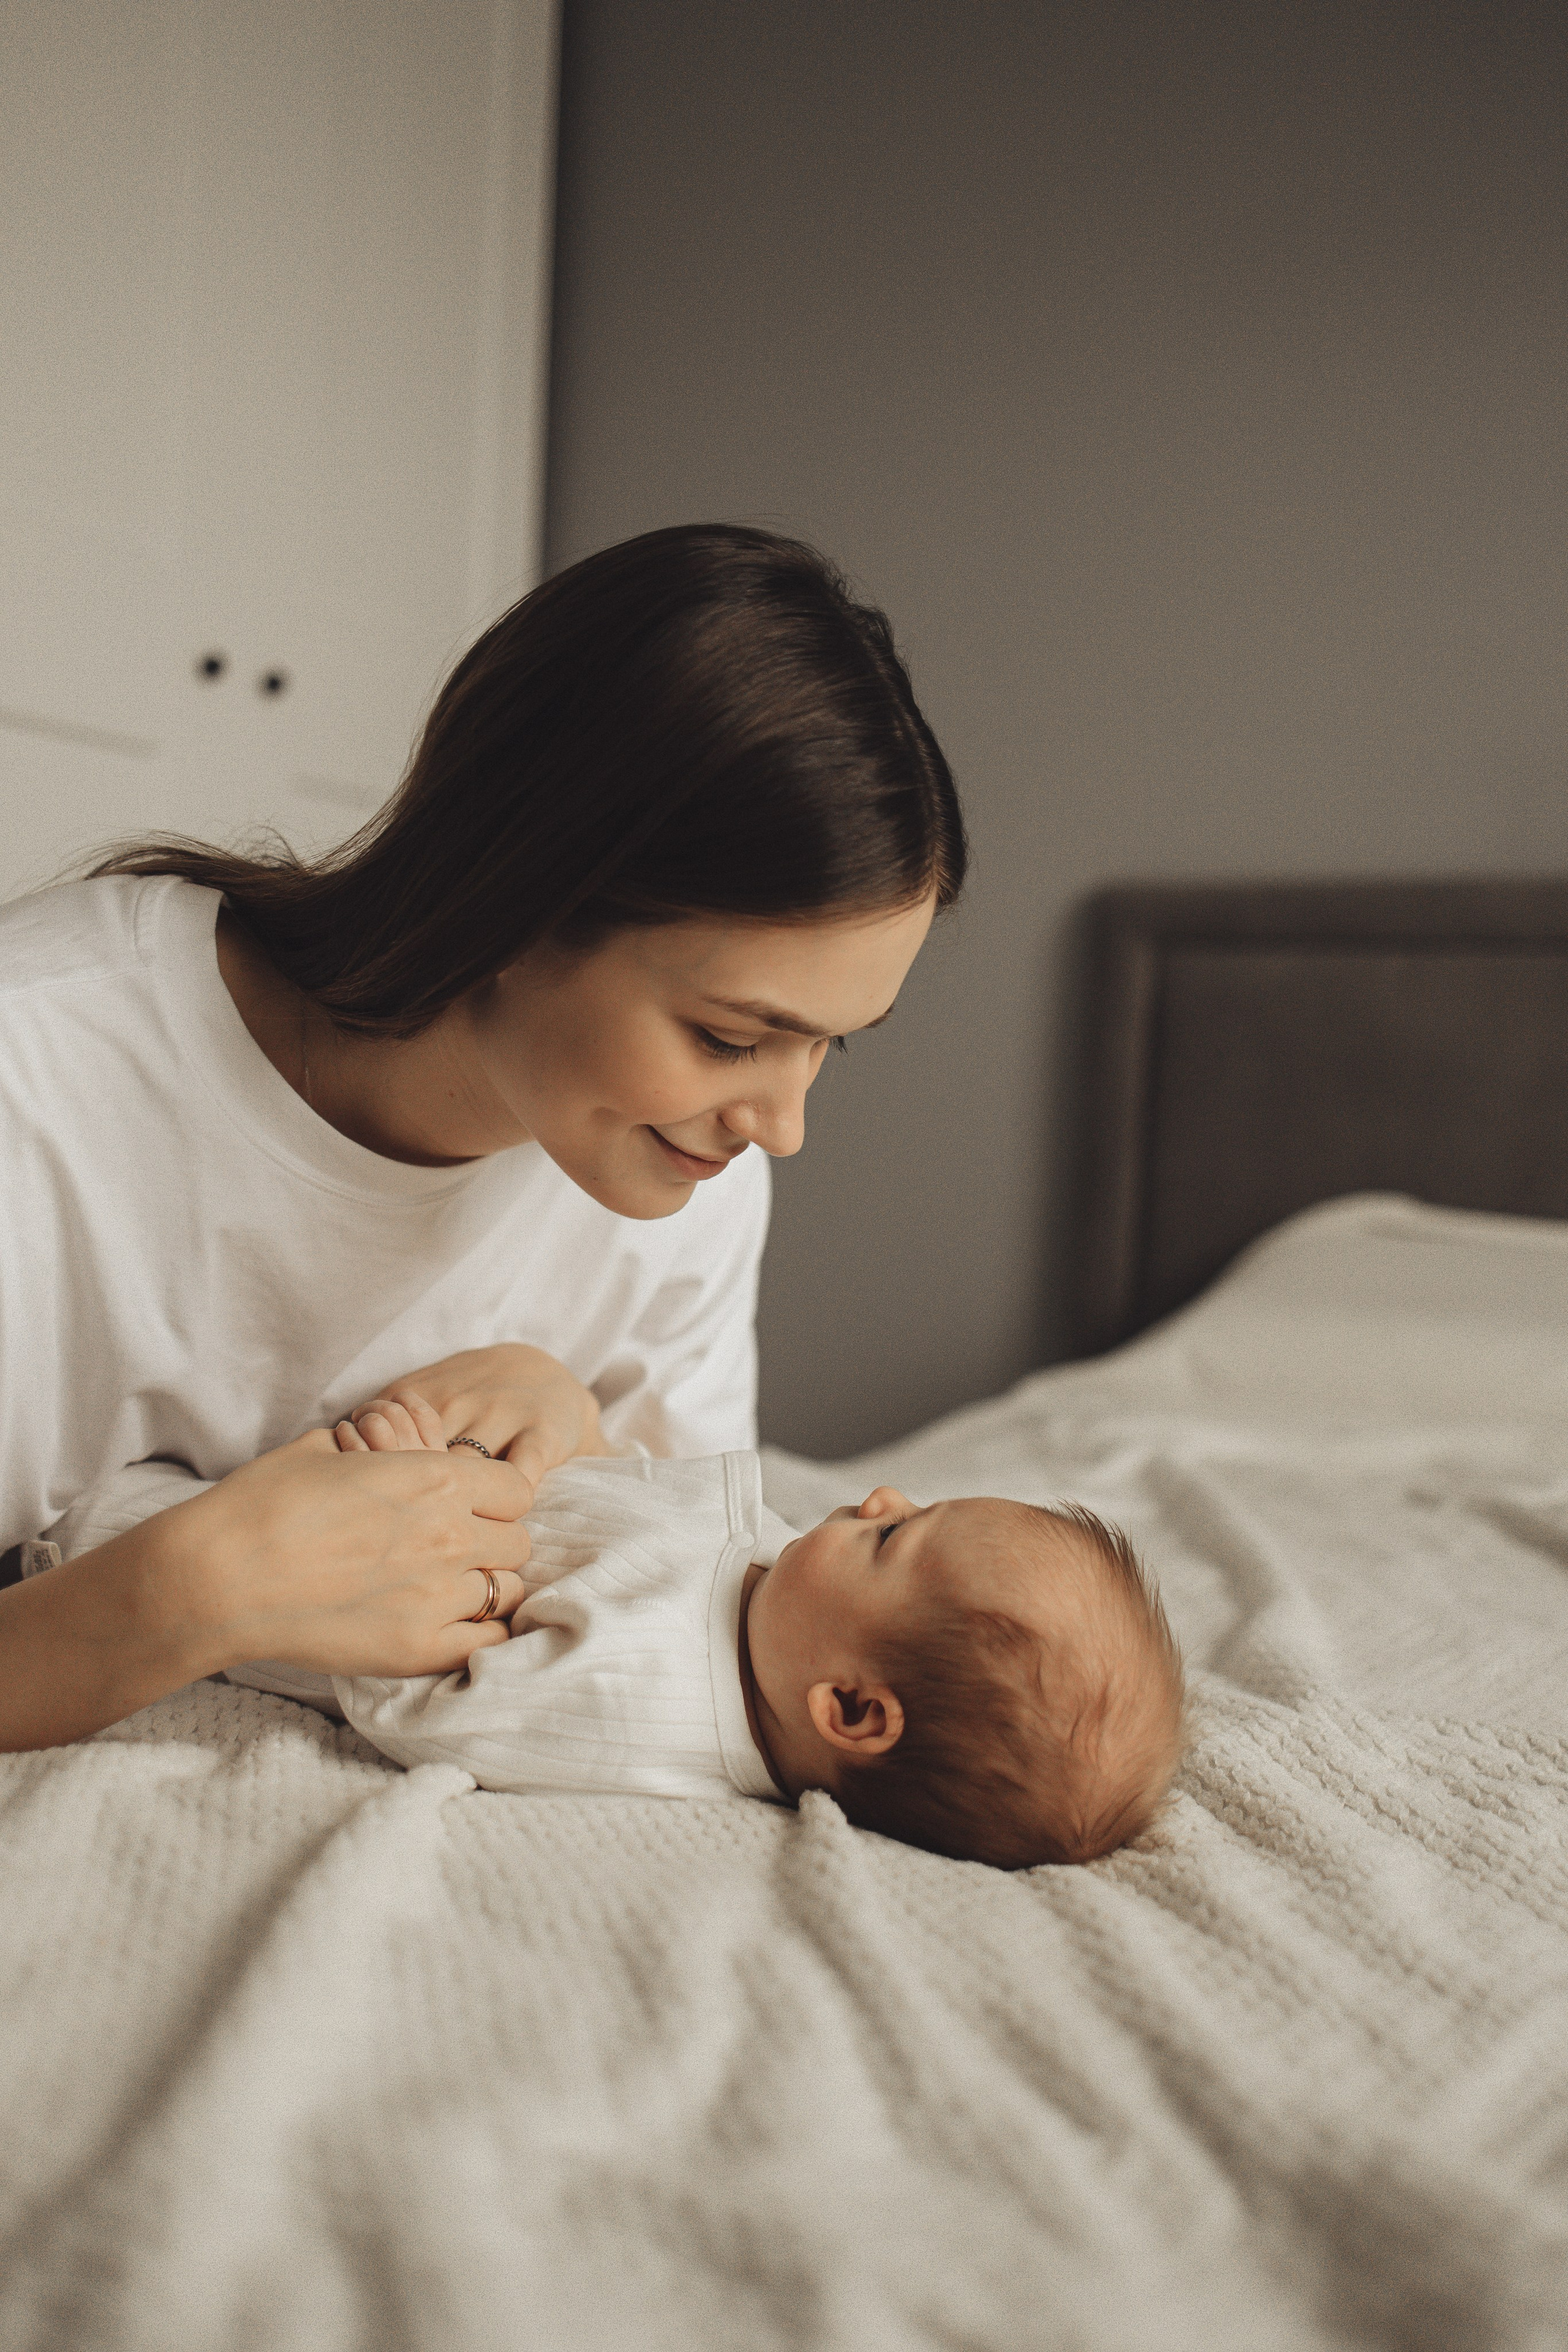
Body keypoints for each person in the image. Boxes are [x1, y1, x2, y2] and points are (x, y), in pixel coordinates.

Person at [0, 524, 965, 1752]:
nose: (780, 1126)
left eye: (832, 1043)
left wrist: (582, 1448)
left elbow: (698, 1615)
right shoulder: (40, 1079)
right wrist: (190, 1594)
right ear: (517, 898)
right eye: (731, 1038)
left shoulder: (685, 1174)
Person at [29, 1386, 1187, 1869]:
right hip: (278, 1481)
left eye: (895, 1542)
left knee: (90, 1512)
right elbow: (617, 1498)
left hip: (141, 1568)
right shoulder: (779, 1601)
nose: (878, 1501)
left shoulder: (638, 1701)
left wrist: (413, 1512)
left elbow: (439, 1712)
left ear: (849, 1709)